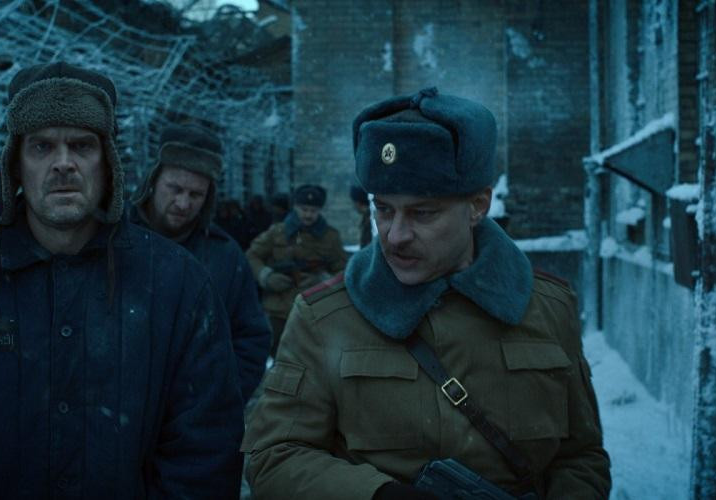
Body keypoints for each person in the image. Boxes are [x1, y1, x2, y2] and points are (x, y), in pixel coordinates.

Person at [0, 62, 244, 499]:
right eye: (41, 146)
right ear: (15, 165)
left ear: (108, 162)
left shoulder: (180, 286)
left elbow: (204, 452)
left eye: (82, 145)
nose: (63, 164)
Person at [241, 88, 611, 499]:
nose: (395, 235)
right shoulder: (324, 317)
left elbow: (581, 457)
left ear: (478, 205)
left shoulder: (548, 308)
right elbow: (272, 458)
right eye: (384, 209)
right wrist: (377, 495)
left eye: (423, 213)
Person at [128, 123, 271, 402]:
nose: (183, 203)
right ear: (153, 181)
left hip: (194, 414)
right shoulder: (112, 239)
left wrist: (218, 401)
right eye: (175, 189)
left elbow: (251, 339)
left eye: (195, 195)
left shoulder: (225, 256)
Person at [246, 184, 347, 356]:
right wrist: (266, 277)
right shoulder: (277, 232)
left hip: (315, 312)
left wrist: (323, 281)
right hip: (278, 311)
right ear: (295, 207)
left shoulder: (330, 237)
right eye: (304, 209)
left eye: (313, 210)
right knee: (277, 358)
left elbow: (344, 272)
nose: (308, 214)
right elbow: (251, 256)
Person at [350, 184, 372, 248]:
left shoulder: (370, 220)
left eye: (354, 202)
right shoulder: (367, 217)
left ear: (358, 203)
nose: (353, 205)